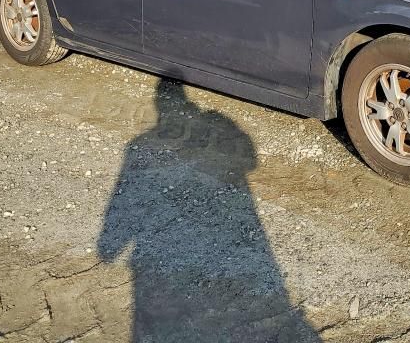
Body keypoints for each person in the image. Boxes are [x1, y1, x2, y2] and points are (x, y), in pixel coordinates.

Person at [98, 79, 319, 342]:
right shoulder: (149, 142)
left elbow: (250, 159)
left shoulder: (141, 143)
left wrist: (109, 244)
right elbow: (250, 160)